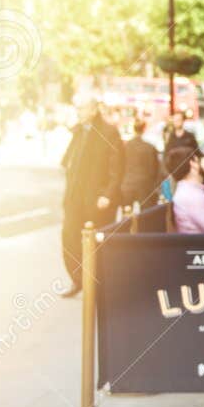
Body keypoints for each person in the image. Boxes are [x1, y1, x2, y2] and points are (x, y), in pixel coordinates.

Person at [59, 99, 125, 296]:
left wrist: (107, 194)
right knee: (69, 237)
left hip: (97, 200)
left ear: (94, 109)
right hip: (75, 198)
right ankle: (78, 279)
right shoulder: (78, 131)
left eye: (82, 108)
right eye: (77, 108)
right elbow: (68, 160)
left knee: (97, 244)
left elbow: (117, 169)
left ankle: (97, 283)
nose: (78, 111)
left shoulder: (109, 132)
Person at [119, 116, 162, 211]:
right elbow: (155, 170)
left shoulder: (125, 147)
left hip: (128, 185)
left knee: (126, 217)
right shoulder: (150, 148)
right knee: (146, 217)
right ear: (144, 129)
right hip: (145, 186)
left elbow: (120, 166)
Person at [163, 109, 197, 177]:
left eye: (179, 120)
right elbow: (166, 155)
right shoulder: (170, 137)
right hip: (174, 173)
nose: (177, 122)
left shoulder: (190, 136)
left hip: (188, 174)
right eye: (175, 120)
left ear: (183, 121)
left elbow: (196, 153)